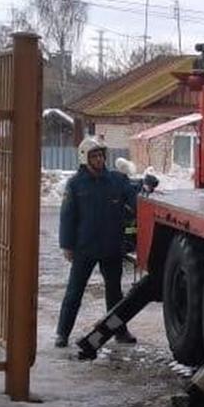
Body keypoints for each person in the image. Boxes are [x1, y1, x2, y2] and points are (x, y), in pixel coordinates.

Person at [55, 137, 139, 348]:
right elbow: (67, 216)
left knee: (115, 294)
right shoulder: (75, 184)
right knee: (74, 292)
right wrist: (67, 245)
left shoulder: (116, 180)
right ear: (85, 158)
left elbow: (134, 197)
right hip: (85, 248)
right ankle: (62, 333)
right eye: (94, 156)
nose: (99, 159)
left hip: (111, 247)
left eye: (101, 155)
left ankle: (120, 331)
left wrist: (143, 184)